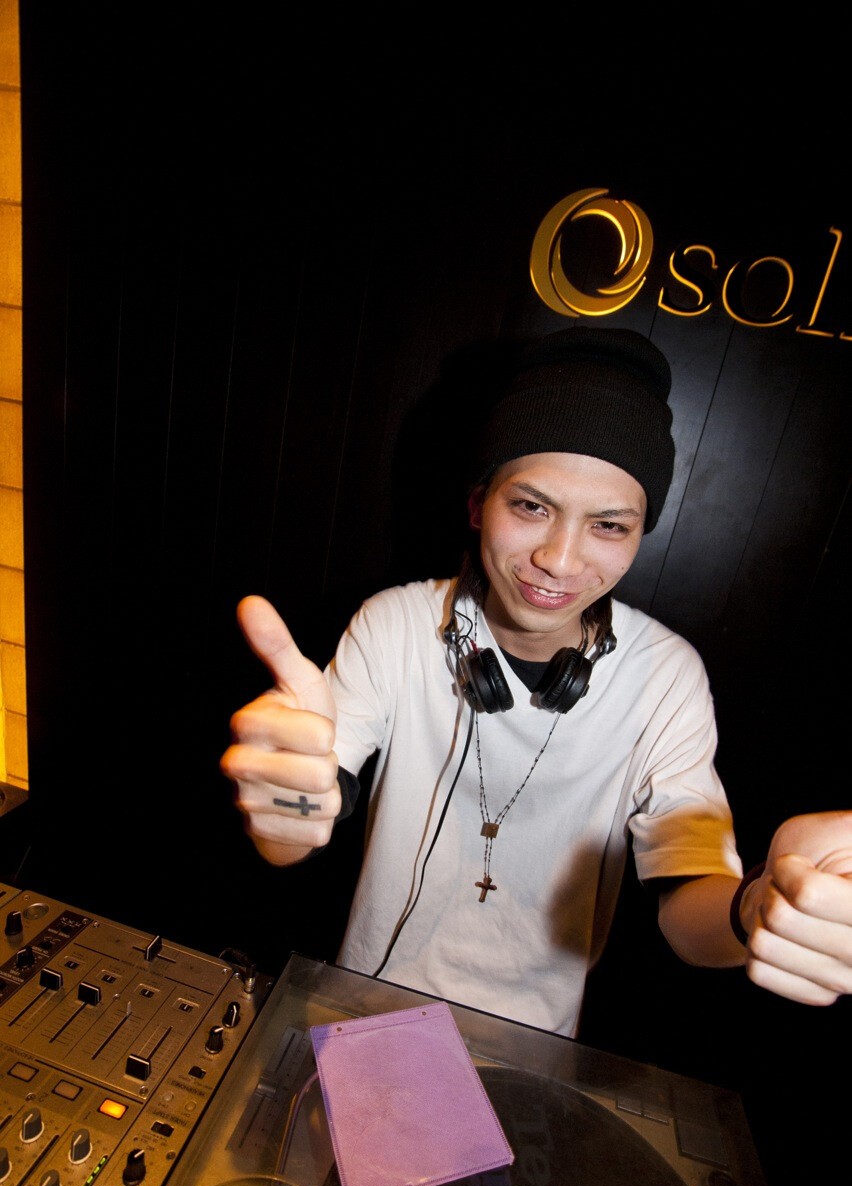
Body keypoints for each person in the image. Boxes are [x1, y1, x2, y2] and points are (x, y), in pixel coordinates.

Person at [221, 325, 852, 1039]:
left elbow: (688, 910)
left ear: (640, 534)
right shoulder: (394, 625)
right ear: (477, 504)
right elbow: (296, 822)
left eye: (608, 525)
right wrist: (285, 813)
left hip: (535, 1047)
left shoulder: (666, 675)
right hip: (364, 1012)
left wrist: (759, 907)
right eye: (530, 506)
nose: (559, 559)